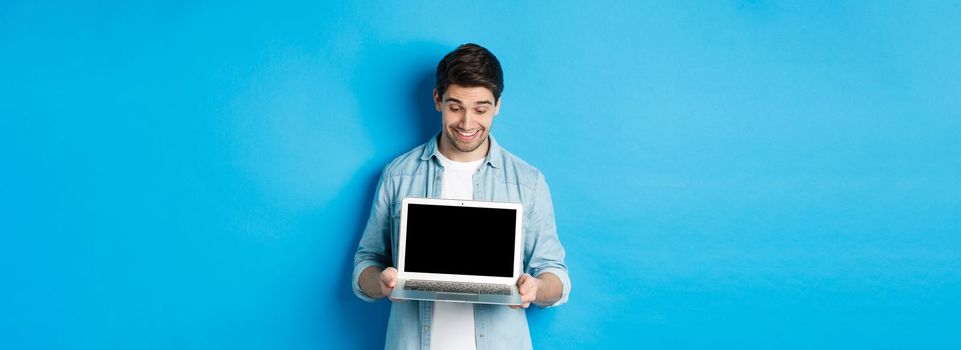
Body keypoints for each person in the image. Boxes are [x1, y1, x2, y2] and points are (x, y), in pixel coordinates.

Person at [352, 43, 570, 350]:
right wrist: (382, 282)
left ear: (498, 105)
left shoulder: (528, 182)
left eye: (480, 109)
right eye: (456, 107)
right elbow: (366, 264)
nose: (467, 124)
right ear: (438, 100)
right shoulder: (397, 175)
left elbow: (556, 277)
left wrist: (536, 288)